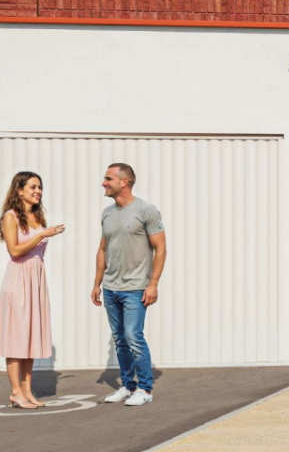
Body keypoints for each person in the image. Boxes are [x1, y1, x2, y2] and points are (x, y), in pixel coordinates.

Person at [91, 163, 167, 407]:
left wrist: (153, 284)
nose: (103, 183)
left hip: (136, 288)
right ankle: (127, 386)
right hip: (111, 287)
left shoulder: (146, 210)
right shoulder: (107, 213)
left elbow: (161, 248)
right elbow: (102, 249)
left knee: (133, 337)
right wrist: (97, 283)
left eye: (108, 179)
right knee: (120, 339)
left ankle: (145, 389)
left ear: (124, 182)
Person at [0, 171, 65, 409]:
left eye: (39, 187)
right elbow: (14, 251)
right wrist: (43, 234)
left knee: (31, 336)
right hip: (18, 280)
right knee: (16, 337)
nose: (38, 191)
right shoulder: (10, 216)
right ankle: (16, 392)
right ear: (19, 190)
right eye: (33, 187)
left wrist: (42, 231)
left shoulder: (37, 216)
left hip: (36, 280)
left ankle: (27, 390)